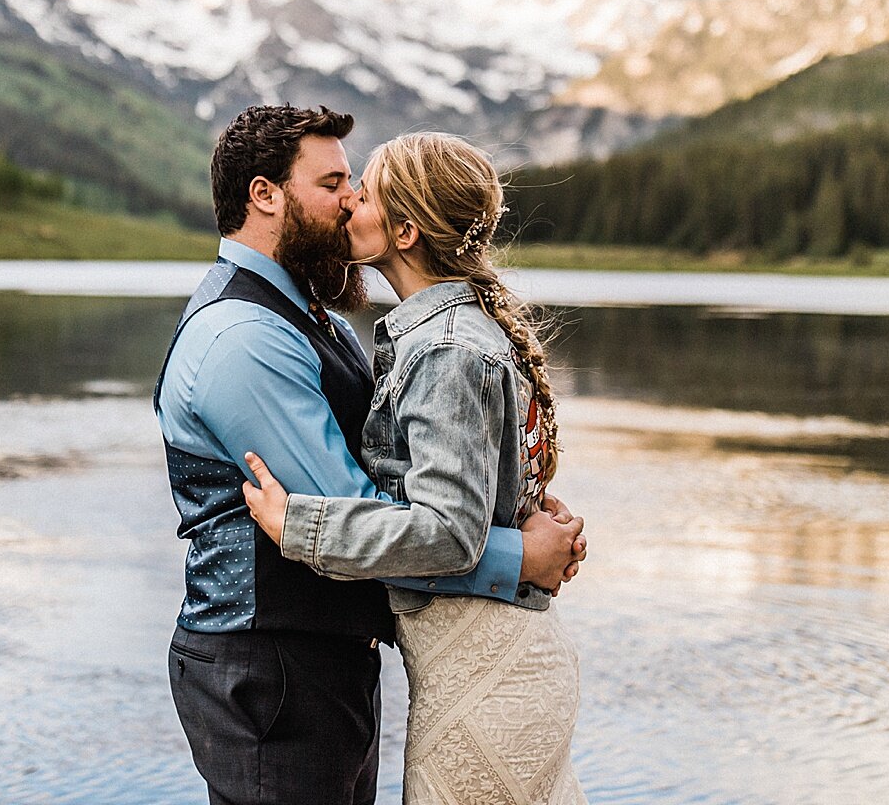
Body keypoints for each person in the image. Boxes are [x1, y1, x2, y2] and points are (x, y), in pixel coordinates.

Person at [154, 106, 587, 805]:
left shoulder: (312, 315)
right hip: (272, 669)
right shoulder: (245, 338)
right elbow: (367, 514)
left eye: (359, 185)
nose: (350, 200)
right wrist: (522, 559)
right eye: (333, 184)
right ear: (266, 194)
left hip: (323, 665)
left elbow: (421, 498)